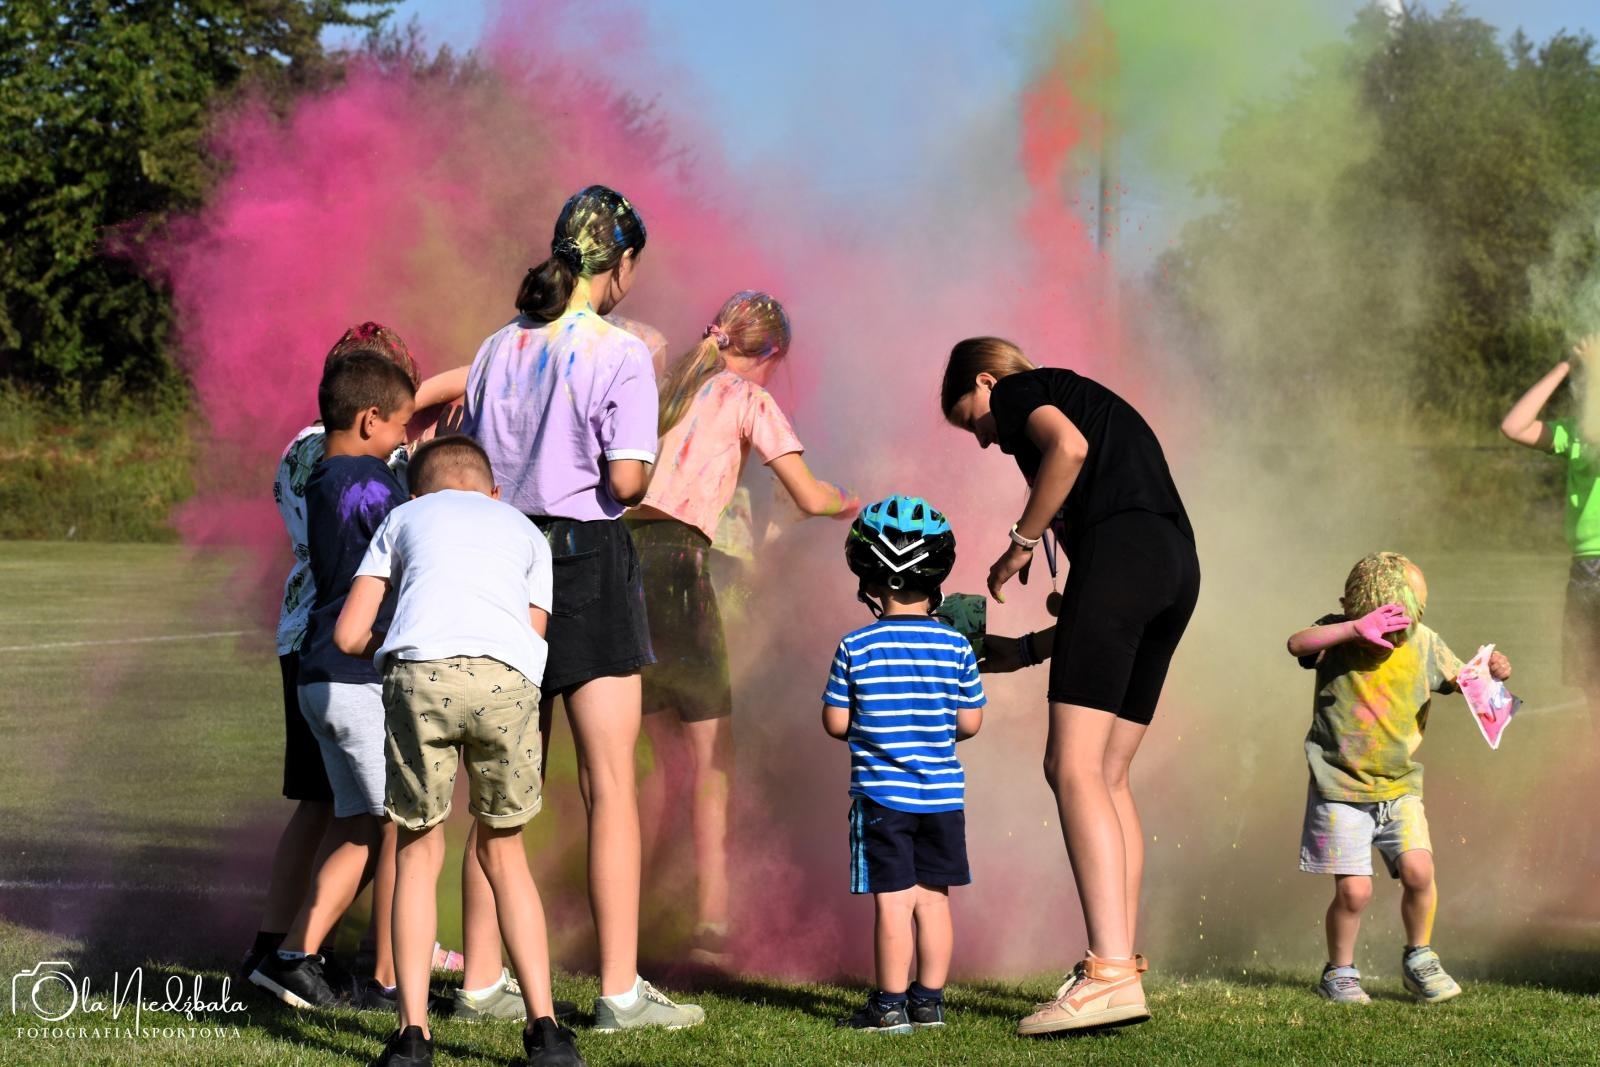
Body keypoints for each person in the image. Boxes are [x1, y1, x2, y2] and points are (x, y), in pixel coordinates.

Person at [460, 184, 703, 1030]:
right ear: (621, 264)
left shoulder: (495, 347)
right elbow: (628, 480)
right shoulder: (622, 352)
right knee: (611, 785)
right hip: (586, 559)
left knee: (496, 789)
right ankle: (618, 989)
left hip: (499, 560)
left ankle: (480, 981)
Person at [940, 337, 1199, 1035]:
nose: (985, 440)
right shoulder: (1086, 408)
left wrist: (1020, 542)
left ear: (986, 381)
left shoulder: (1028, 391)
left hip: (1129, 552)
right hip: (1175, 565)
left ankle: (1108, 971)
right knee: (1109, 772)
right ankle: (1119, 965)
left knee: (1070, 765)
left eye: (972, 419)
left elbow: (1069, 449)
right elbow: (1097, 615)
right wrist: (1021, 650)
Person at [334, 435, 583, 1067]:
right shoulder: (525, 529)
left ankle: (412, 1036)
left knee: (418, 850)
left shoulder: (403, 516)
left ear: (419, 493)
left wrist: (397, 642)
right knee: (504, 851)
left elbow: (347, 634)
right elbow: (531, 636)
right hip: (508, 682)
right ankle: (546, 1031)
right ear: (493, 492)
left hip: (422, 676)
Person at [630, 291, 858, 966]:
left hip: (623, 566)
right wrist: (849, 502)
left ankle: (618, 910)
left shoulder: (665, 385)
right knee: (711, 763)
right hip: (678, 570)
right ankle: (713, 927)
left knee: (646, 762)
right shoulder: (745, 397)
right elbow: (811, 495)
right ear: (766, 353)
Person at [244, 323, 419, 991]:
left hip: (311, 650)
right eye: (400, 424)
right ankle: (306, 956)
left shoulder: (311, 459)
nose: (406, 435)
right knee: (383, 818)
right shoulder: (372, 481)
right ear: (371, 412)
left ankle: (285, 949)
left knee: (336, 810)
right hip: (354, 661)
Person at [1287, 552, 1511, 1005]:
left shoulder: (1424, 641)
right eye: (1376, 621)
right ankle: (1339, 973)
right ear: (1349, 607)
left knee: (1419, 870)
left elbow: (1465, 679)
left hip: (1400, 785)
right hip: (1340, 788)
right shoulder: (1337, 633)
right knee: (1354, 891)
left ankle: (1419, 957)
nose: (1385, 634)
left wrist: (1493, 670)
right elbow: (1296, 644)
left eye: (1397, 624)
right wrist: (1352, 628)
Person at [822, 496, 983, 1034]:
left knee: (892, 905)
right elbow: (970, 722)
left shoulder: (856, 646)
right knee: (933, 902)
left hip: (882, 799)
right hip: (942, 798)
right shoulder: (956, 645)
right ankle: (929, 1004)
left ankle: (889, 1007)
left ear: (871, 584)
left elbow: (836, 723)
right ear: (936, 580)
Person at [1500, 336, 1598, 732]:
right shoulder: (1574, 433)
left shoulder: (1587, 432)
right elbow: (1513, 425)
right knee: (1592, 683)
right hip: (1586, 571)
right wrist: (1566, 367)